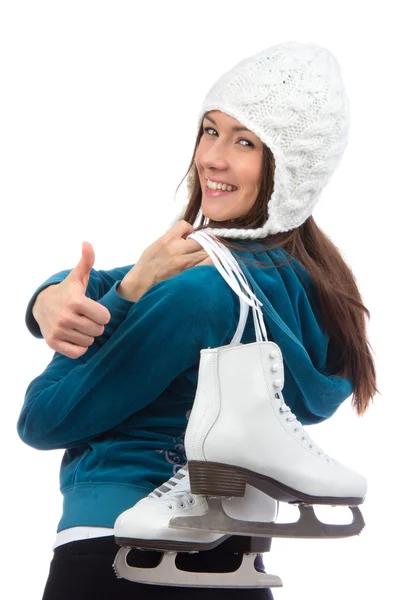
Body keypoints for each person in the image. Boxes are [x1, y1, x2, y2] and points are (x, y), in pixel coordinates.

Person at [17, 41, 378, 599]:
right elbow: (107, 280)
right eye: (210, 130)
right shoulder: (304, 285)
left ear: (292, 171)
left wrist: (131, 292)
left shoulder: (202, 292)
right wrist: (47, 300)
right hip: (237, 562)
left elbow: (42, 420)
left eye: (245, 142)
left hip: (118, 549)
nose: (212, 157)